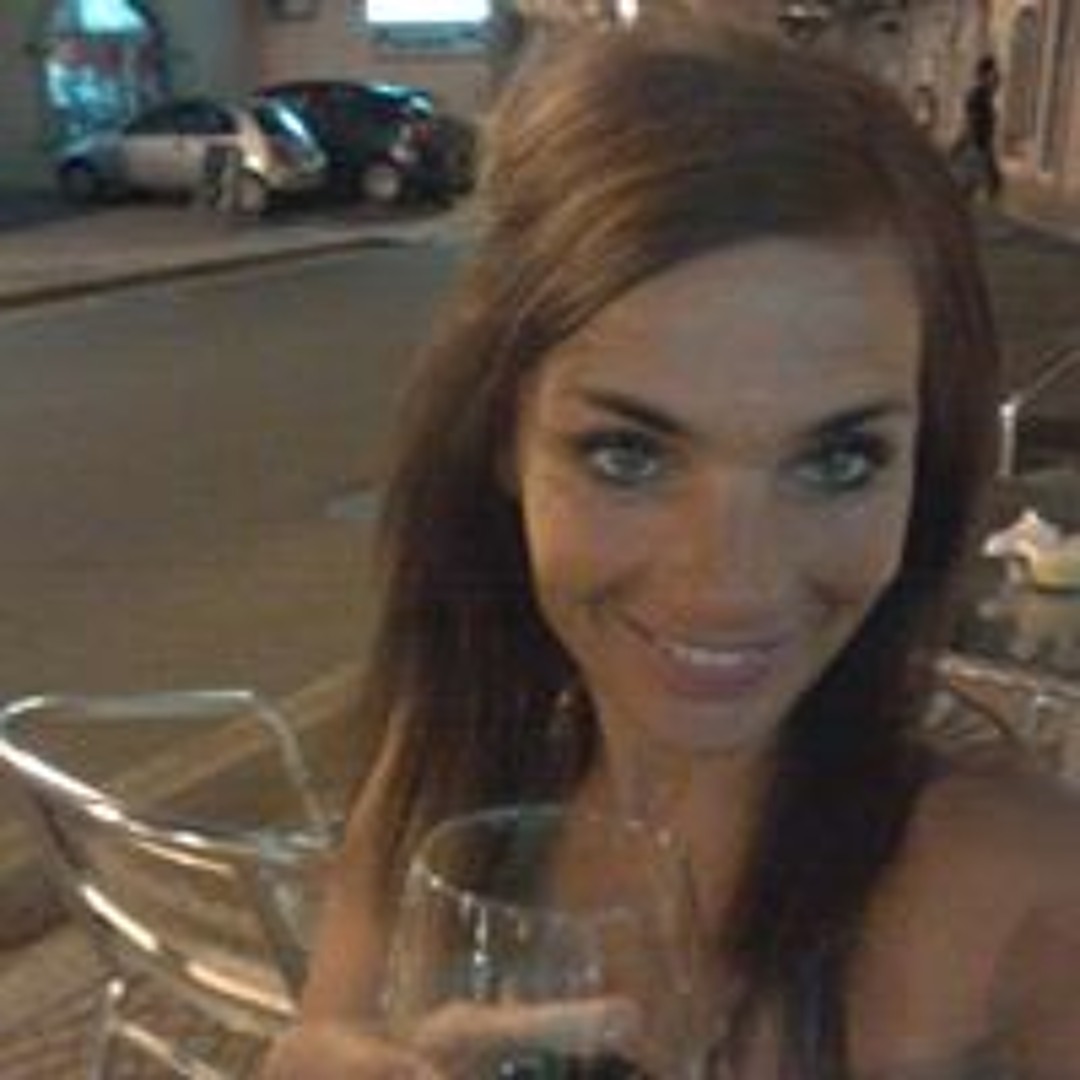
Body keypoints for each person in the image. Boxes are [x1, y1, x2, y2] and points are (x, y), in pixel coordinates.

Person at [263, 19, 1080, 1080]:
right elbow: (335, 1031)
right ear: (503, 436)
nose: (729, 586)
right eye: (628, 454)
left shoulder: (1022, 887)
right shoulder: (448, 770)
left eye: (838, 460)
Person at [958, 54, 1004, 201]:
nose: (996, 76)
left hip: (980, 144)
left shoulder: (984, 93)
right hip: (977, 144)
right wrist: (976, 142)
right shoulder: (978, 93)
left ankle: (966, 205)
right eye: (992, 72)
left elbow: (996, 85)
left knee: (984, 183)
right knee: (976, 183)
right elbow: (973, 120)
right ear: (984, 74)